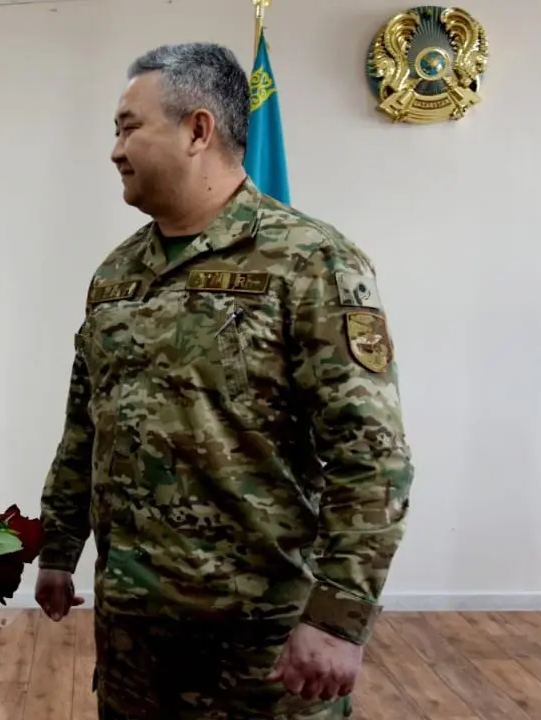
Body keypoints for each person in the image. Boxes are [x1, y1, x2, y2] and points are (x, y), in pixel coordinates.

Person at [34, 43, 414, 719]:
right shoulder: (117, 275)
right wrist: (58, 548)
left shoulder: (310, 261)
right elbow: (84, 427)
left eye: (128, 128)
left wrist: (338, 616)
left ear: (198, 129)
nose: (115, 151)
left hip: (263, 648)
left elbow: (372, 456)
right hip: (134, 641)